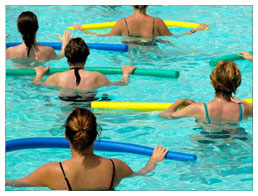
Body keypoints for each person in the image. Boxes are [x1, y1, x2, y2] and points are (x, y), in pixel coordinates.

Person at [6, 108, 168, 190]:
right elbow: (142, 173)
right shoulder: (115, 167)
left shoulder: (53, 171)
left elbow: (15, 184)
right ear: (96, 135)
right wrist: (153, 160)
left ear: (66, 135)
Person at [33, 37, 136, 100]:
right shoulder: (96, 76)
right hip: (89, 113)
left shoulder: (56, 77)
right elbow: (122, 84)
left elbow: (37, 85)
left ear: (67, 56)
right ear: (87, 55)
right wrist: (126, 74)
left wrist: (39, 75)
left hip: (67, 115)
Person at [159, 61, 252, 123]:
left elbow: (165, 115)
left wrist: (179, 102)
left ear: (213, 81)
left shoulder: (199, 108)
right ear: (237, 83)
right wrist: (241, 101)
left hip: (206, 141)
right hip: (235, 139)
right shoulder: (244, 109)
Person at [73, 5, 208, 42]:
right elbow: (172, 37)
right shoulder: (157, 22)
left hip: (129, 53)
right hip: (151, 51)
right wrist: (194, 30)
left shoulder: (122, 22)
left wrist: (84, 31)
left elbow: (104, 37)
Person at [6, 11, 72, 62]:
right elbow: (61, 56)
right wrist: (64, 44)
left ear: (18, 29)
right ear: (37, 28)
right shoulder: (48, 51)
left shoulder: (10, 51)